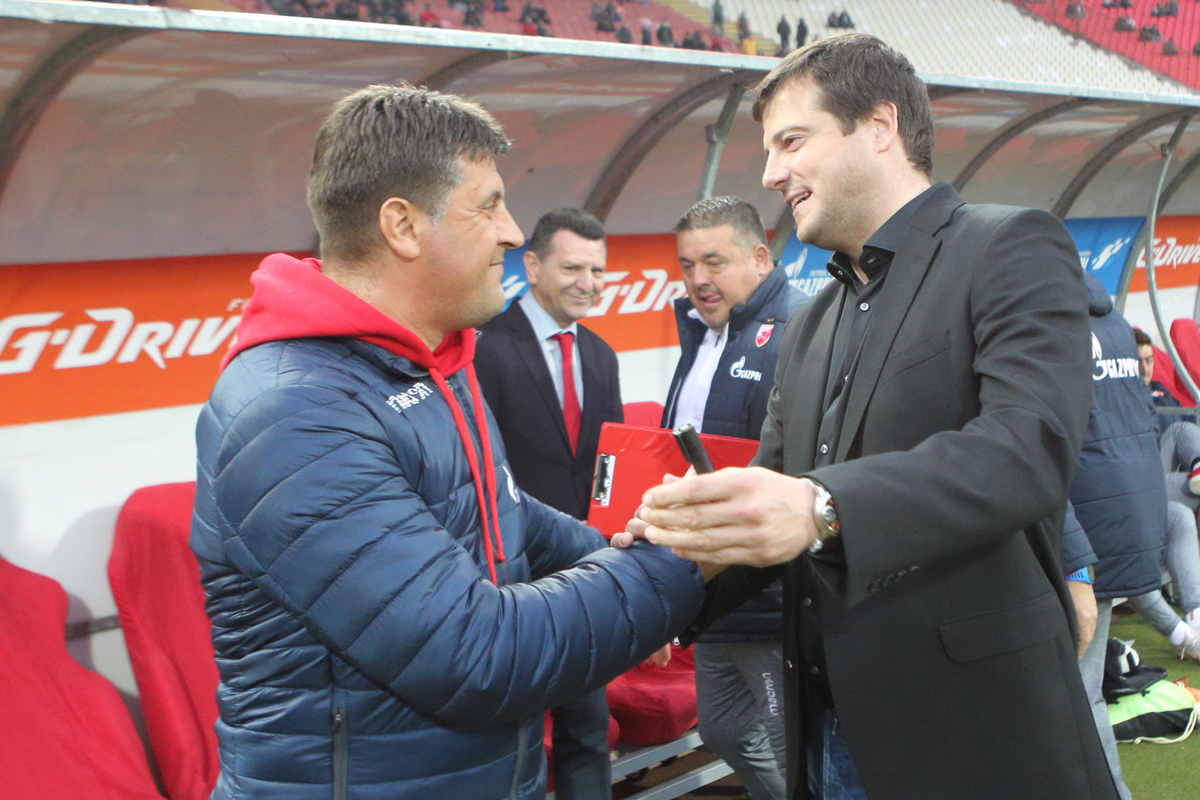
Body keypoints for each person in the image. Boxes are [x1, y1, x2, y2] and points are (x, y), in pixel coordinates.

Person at [620, 34, 1116, 800]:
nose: (770, 172)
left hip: (969, 732)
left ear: (879, 126)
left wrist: (822, 507)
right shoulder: (815, 319)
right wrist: (694, 547)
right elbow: (778, 492)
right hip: (824, 728)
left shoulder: (1008, 244)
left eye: (791, 141)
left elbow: (1027, 449)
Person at [190, 84, 708, 800]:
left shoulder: (435, 361)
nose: (512, 232)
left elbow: (501, 511)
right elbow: (474, 654)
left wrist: (619, 547)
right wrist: (677, 565)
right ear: (403, 226)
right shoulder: (294, 413)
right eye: (489, 205)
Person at [474, 208, 624, 800]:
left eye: (597, 269)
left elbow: (607, 472)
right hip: (506, 579)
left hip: (583, 575)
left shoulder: (602, 356)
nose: (587, 281)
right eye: (572, 267)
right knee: (507, 740)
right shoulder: (484, 345)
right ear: (532, 265)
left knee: (587, 729)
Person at [662, 197, 804, 800]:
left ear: (760, 256)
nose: (698, 279)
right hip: (709, 586)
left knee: (789, 741)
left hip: (769, 591)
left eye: (714, 262)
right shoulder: (701, 334)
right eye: (688, 264)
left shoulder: (797, 329)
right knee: (722, 730)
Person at [1068, 271, 1167, 800]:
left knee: (1079, 688)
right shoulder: (1116, 323)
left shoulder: (1053, 322)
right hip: (1133, 511)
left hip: (1087, 524)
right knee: (1079, 685)